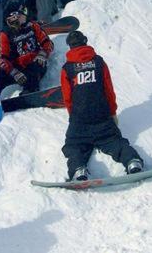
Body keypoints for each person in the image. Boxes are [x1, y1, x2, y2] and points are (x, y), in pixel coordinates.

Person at [60, 31, 143, 181]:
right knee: (114, 141)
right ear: (85, 41)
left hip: (79, 120)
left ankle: (79, 170)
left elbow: (67, 97)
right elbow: (108, 89)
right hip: (102, 117)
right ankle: (132, 161)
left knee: (74, 146)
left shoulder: (67, 68)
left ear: (70, 46)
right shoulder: (99, 62)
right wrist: (113, 112)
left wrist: (73, 115)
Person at [0, 1, 53, 93]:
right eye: (22, 13)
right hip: (18, 67)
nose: (25, 15)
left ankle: (30, 92)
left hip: (36, 62)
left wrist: (43, 54)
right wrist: (13, 72)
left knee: (33, 71)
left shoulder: (32, 25)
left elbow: (47, 42)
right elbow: (3, 57)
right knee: (1, 77)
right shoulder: (5, 33)